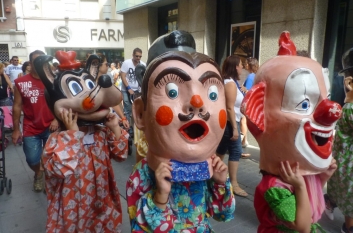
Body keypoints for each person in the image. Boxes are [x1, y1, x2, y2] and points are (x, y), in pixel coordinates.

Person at [127, 30, 235, 232]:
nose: (197, 103)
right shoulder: (140, 177)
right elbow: (139, 229)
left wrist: (221, 182)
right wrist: (160, 195)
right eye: (172, 92)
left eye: (211, 94)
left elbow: (222, 214)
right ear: (141, 114)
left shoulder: (207, 172)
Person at [242, 31, 340, 232]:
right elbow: (302, 226)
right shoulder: (274, 187)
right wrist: (301, 186)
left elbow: (311, 199)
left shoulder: (299, 174)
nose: (333, 112)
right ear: (258, 113)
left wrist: (322, 177)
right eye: (304, 104)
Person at [34, 51, 129, 232]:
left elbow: (121, 155)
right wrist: (72, 134)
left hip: (102, 201)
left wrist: (115, 127)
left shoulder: (101, 133)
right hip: (73, 208)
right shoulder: (57, 139)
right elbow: (57, 169)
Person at [12, 50, 59, 192]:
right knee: (32, 159)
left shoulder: (53, 80)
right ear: (30, 63)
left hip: (51, 125)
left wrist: (57, 119)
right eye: (36, 61)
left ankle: (49, 179)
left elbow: (60, 101)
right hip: (30, 127)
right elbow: (17, 106)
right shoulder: (20, 82)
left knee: (51, 157)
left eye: (43, 61)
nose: (40, 64)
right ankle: (38, 173)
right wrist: (15, 129)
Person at [325, 45, 353, 233]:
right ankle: (350, 226)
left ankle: (329, 200)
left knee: (345, 188)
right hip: (351, 162)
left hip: (350, 159)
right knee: (351, 192)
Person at [216, 55, 249, 198]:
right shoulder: (229, 83)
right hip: (230, 122)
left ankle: (211, 175)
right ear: (235, 67)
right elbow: (229, 107)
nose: (242, 67)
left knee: (221, 149)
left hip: (230, 121)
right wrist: (235, 128)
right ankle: (234, 183)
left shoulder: (232, 83)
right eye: (241, 64)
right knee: (236, 151)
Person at [97, 53, 130, 129]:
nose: (108, 66)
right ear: (98, 66)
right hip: (97, 124)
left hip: (107, 121)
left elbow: (112, 102)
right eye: (106, 64)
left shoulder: (105, 81)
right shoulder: (90, 83)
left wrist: (123, 118)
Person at [120, 48, 146, 127]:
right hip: (126, 90)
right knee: (128, 109)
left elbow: (144, 78)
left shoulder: (143, 65)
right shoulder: (127, 63)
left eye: (140, 56)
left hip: (138, 91)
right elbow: (123, 76)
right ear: (133, 55)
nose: (138, 58)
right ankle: (129, 128)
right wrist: (128, 88)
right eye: (136, 56)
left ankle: (135, 127)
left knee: (137, 109)